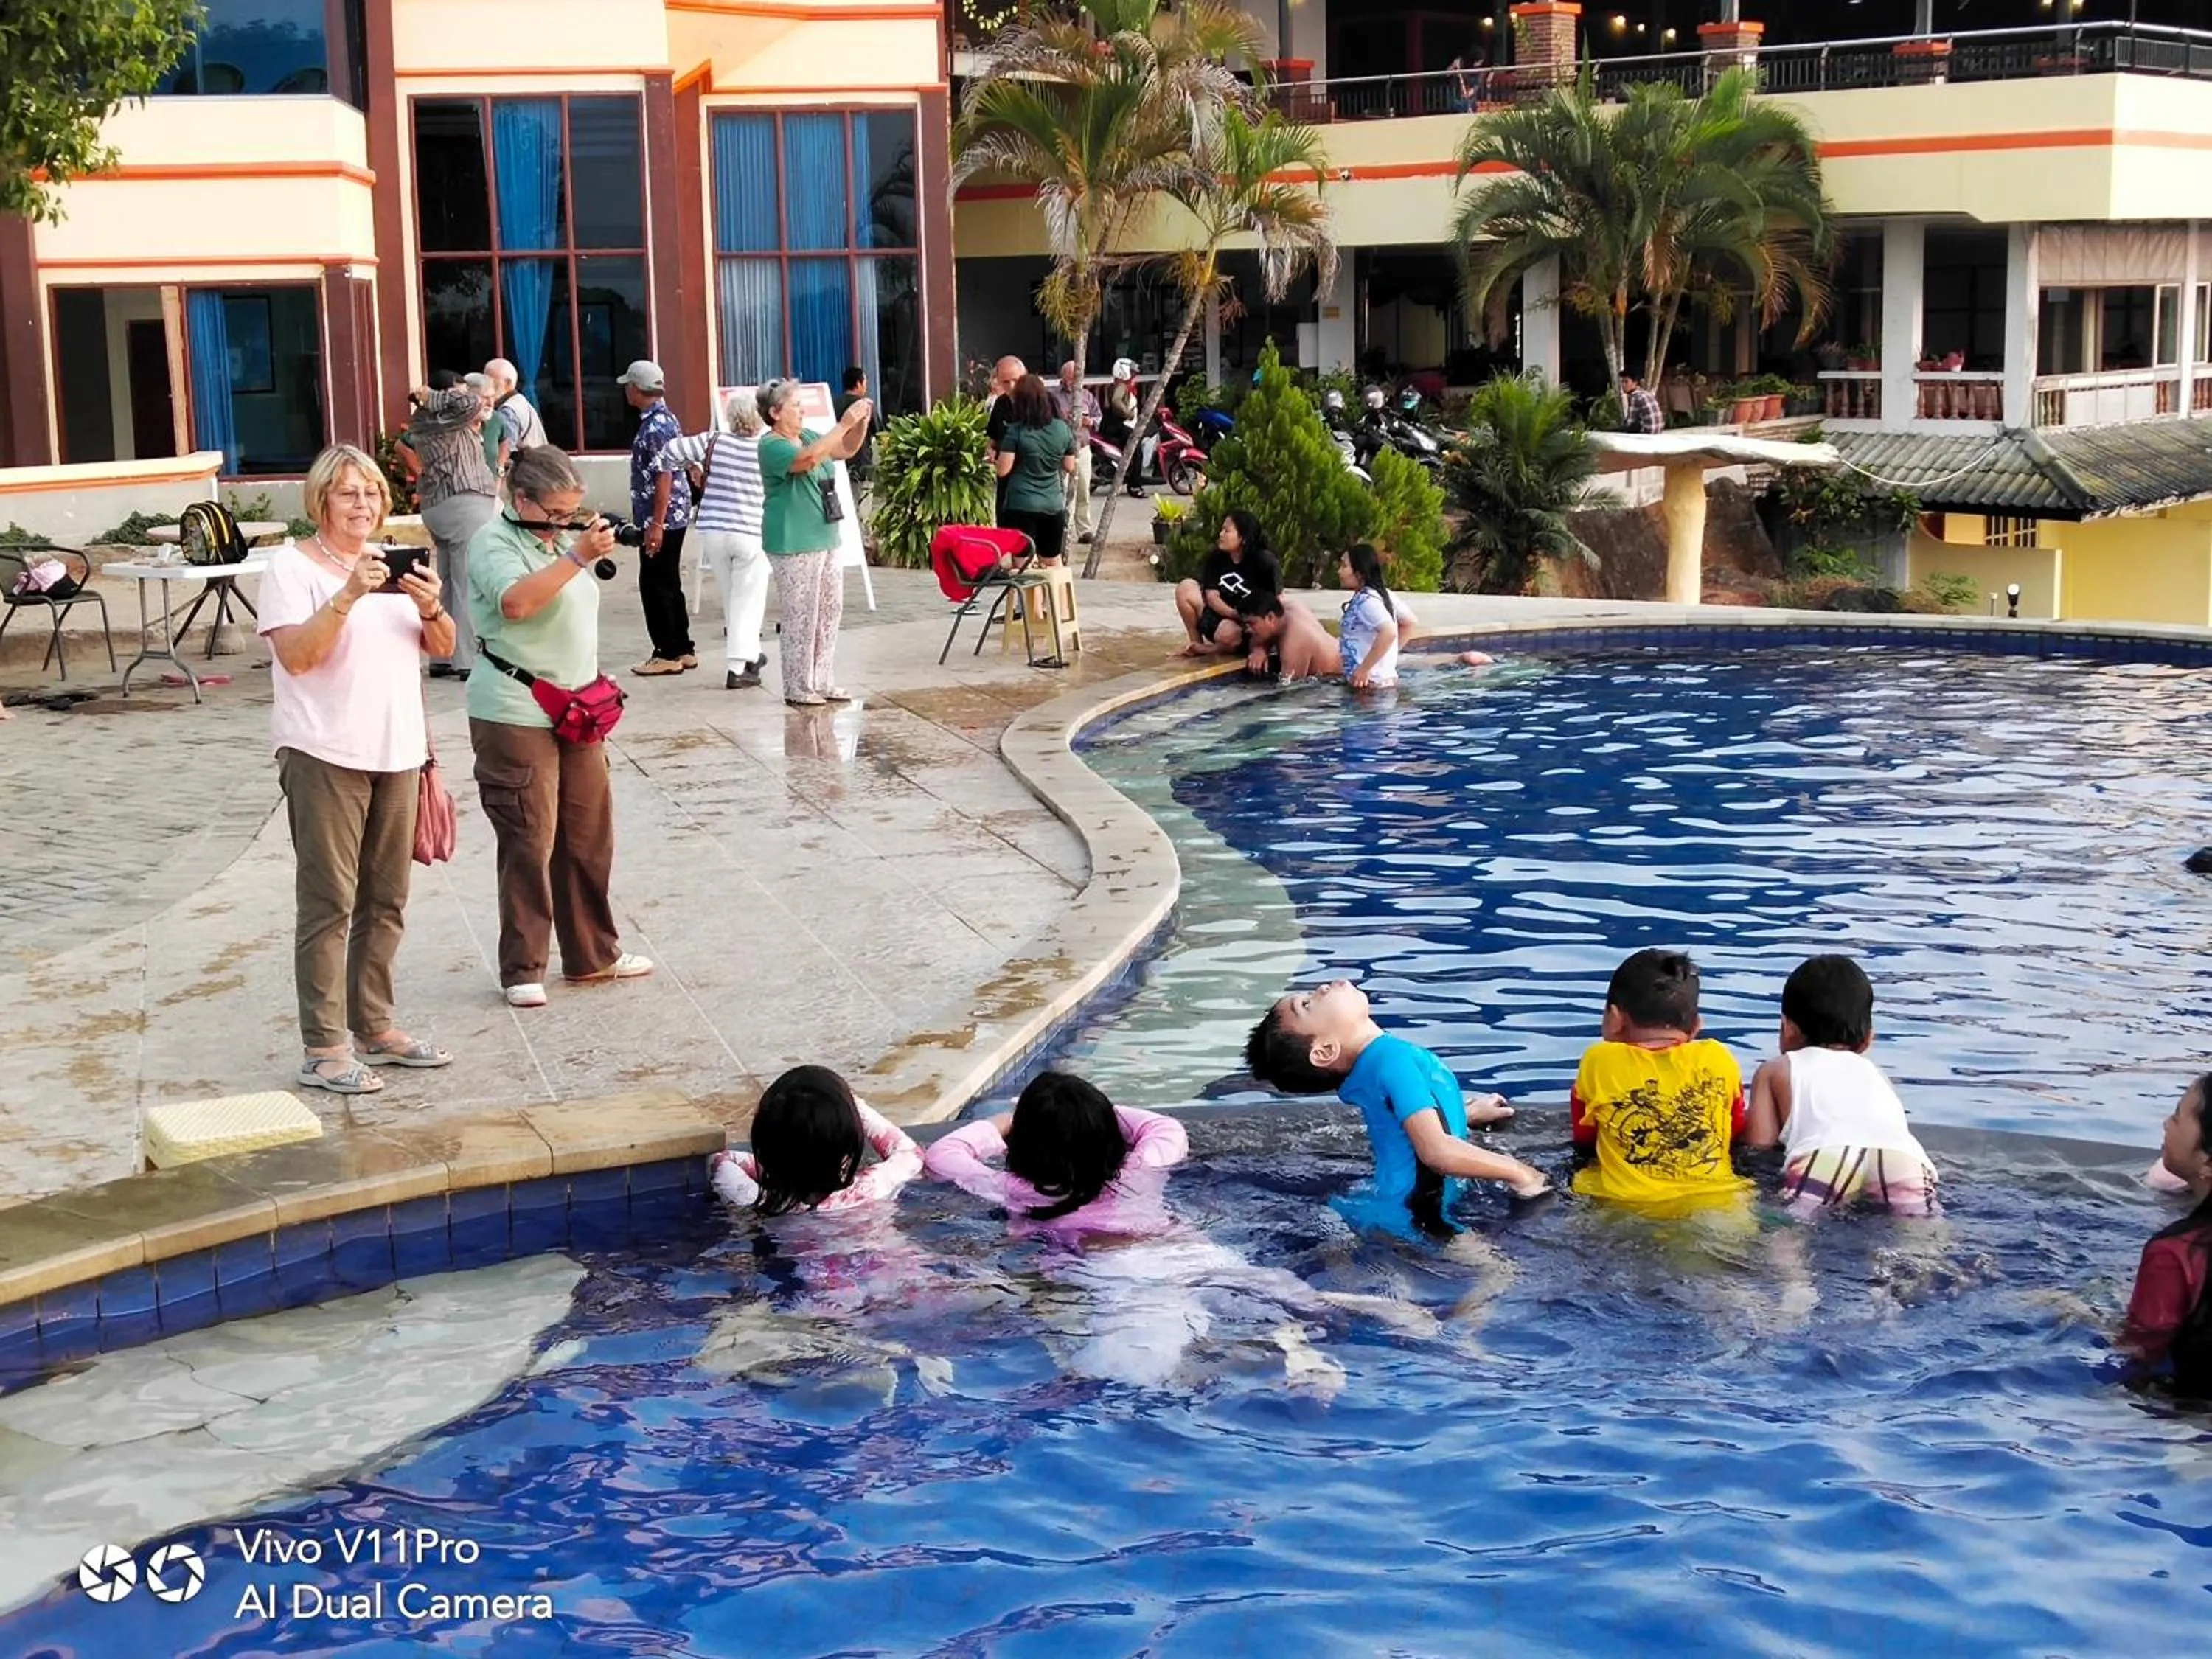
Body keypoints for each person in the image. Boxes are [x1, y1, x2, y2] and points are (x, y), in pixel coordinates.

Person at [258, 445, 456, 1094]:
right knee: (328, 902)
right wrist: (346, 596)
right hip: (324, 753)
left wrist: (429, 606)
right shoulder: (293, 568)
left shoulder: (397, 563)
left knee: (387, 900)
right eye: (348, 494)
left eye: (371, 493)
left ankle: (375, 1026)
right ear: (321, 500)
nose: (363, 505)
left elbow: (446, 647)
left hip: (397, 752)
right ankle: (323, 1047)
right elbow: (297, 657)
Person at [467, 444, 653, 1009]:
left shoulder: (555, 540)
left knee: (588, 832)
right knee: (528, 835)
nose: (564, 522)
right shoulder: (492, 543)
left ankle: (592, 955)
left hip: (578, 704)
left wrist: (573, 545)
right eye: (554, 511)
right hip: (514, 706)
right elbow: (517, 605)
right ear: (520, 499)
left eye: (572, 510)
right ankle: (524, 966)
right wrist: (573, 555)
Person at [1245, 979, 1548, 1236]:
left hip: (1397, 1201)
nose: (1322, 988)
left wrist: (1464, 1113)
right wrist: (1520, 1173)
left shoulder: (1371, 1064)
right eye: (1308, 1005)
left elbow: (1399, 1119)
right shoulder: (1391, 1059)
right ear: (1325, 1051)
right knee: (1496, 1278)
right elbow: (1437, 1153)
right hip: (1420, 1213)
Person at [1743, 955, 1938, 1215]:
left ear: (1787, 1028)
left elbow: (1759, 1146)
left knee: (1790, 1233)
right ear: (1869, 1039)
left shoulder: (1776, 1069)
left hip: (1825, 1156)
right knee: (1922, 1236)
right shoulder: (1878, 1074)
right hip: (1902, 1159)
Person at [1571, 949, 1750, 1206]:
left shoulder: (1598, 1061)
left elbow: (1585, 1138)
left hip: (1623, 1205)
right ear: (1697, 1025)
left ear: (1615, 1018)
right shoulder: (1719, 1058)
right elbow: (1735, 1129)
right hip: (1718, 1203)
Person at [925, 1070, 1189, 1233]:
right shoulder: (1142, 1168)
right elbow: (1165, 1126)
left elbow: (943, 1154)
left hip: (1101, 1272)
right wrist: (1088, 1114)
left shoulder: (1013, 1190)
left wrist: (1009, 1120)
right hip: (1183, 1249)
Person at [759, 377, 872, 707]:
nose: (802, 411)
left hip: (825, 535)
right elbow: (807, 460)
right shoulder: (771, 445)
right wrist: (843, 422)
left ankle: (822, 680)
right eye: (795, 406)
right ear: (775, 412)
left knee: (829, 610)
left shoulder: (807, 436)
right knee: (801, 613)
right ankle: (797, 685)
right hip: (793, 540)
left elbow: (845, 449)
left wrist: (859, 424)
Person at [657, 390, 769, 690]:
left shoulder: (713, 441)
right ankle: (737, 667)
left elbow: (669, 451)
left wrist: (692, 467)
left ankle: (752, 656)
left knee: (732, 597)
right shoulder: (765, 448)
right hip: (750, 530)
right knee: (748, 600)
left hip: (714, 530)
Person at [709, 1065, 922, 1214]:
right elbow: (911, 1154)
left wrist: (781, 1168)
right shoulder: (873, 1188)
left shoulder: (762, 1202)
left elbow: (722, 1160)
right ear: (848, 1146)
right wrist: (853, 1105)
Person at [399, 380, 499, 680]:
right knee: (467, 582)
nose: (462, 395)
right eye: (455, 390)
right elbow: (471, 404)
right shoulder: (443, 415)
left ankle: (442, 656)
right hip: (463, 502)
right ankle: (466, 659)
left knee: (444, 580)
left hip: (438, 505)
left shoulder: (425, 420)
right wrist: (435, 395)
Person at [2120, 1072, 2212, 1393]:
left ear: (2209, 1162)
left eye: (2176, 1116)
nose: (2165, 1124)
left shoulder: (2174, 1252)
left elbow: (2141, 1350)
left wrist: (2078, 1316)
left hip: (2188, 1420)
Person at [619, 360, 695, 677]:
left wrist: (656, 523)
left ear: (636, 389)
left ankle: (666, 652)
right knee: (668, 580)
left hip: (662, 517)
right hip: (674, 515)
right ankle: (682, 646)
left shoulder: (653, 427)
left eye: (628, 386)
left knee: (654, 583)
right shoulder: (667, 419)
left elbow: (664, 476)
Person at [993, 372, 1077, 564]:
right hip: (1053, 505)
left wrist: (997, 458)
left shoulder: (1015, 431)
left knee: (1023, 565)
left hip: (1021, 505)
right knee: (1052, 561)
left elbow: (1003, 470)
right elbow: (1069, 466)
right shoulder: (1062, 428)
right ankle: (1057, 595)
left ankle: (1029, 596)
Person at [1175, 509, 1279, 658]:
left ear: (1243, 538)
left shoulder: (1266, 562)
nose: (1221, 534)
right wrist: (1233, 614)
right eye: (1221, 530)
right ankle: (1195, 645)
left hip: (1249, 625)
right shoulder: (1216, 558)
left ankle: (1210, 650)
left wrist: (1261, 644)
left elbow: (1276, 603)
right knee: (1186, 587)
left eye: (1227, 531)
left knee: (1228, 634)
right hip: (1220, 615)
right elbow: (1212, 596)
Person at [1338, 543, 1414, 689]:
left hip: (1370, 687)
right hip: (1384, 683)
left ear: (1359, 573)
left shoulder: (1366, 602)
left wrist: (1364, 670)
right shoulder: (1382, 594)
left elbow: (1389, 632)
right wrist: (1386, 657)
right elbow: (1409, 622)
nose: (1339, 571)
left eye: (1344, 566)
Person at [1237, 593, 1340, 681]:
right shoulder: (1289, 606)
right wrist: (1259, 649)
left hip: (1337, 676)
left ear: (1270, 617)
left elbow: (1291, 697)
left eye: (1251, 623)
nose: (1248, 630)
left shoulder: (1294, 645)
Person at [1054, 360, 1101, 544]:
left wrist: (1091, 422)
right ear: (1063, 376)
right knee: (1064, 491)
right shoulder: (1054, 396)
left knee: (1083, 490)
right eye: (1071, 375)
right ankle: (1065, 530)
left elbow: (1098, 416)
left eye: (1077, 375)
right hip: (1064, 450)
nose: (1074, 379)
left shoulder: (1087, 396)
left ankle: (1084, 530)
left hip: (1083, 447)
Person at [985, 354, 1026, 522]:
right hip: (1005, 479)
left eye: (1016, 380)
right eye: (1006, 382)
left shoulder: (1040, 402)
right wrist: (990, 450)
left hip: (1031, 480)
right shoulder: (1001, 403)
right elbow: (992, 438)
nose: (1012, 386)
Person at [484, 358, 546, 453]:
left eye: (492, 382)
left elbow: (506, 451)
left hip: (527, 465)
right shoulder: (519, 402)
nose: (487, 387)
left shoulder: (508, 410)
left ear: (508, 383)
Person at [1621, 372, 1665, 436]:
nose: (1623, 385)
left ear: (1635, 383)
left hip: (1648, 434)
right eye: (1622, 382)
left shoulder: (1635, 397)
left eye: (1626, 382)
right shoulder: (1646, 393)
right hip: (1658, 431)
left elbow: (1629, 423)